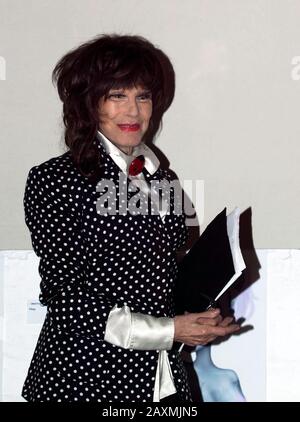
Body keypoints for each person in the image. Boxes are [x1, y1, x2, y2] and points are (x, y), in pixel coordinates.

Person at [21, 33, 240, 403]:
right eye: (117, 96)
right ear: (88, 105)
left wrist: (199, 315)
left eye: (143, 96)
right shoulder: (56, 179)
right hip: (85, 379)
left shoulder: (161, 178)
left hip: (161, 379)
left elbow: (160, 277)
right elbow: (66, 299)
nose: (133, 111)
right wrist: (170, 331)